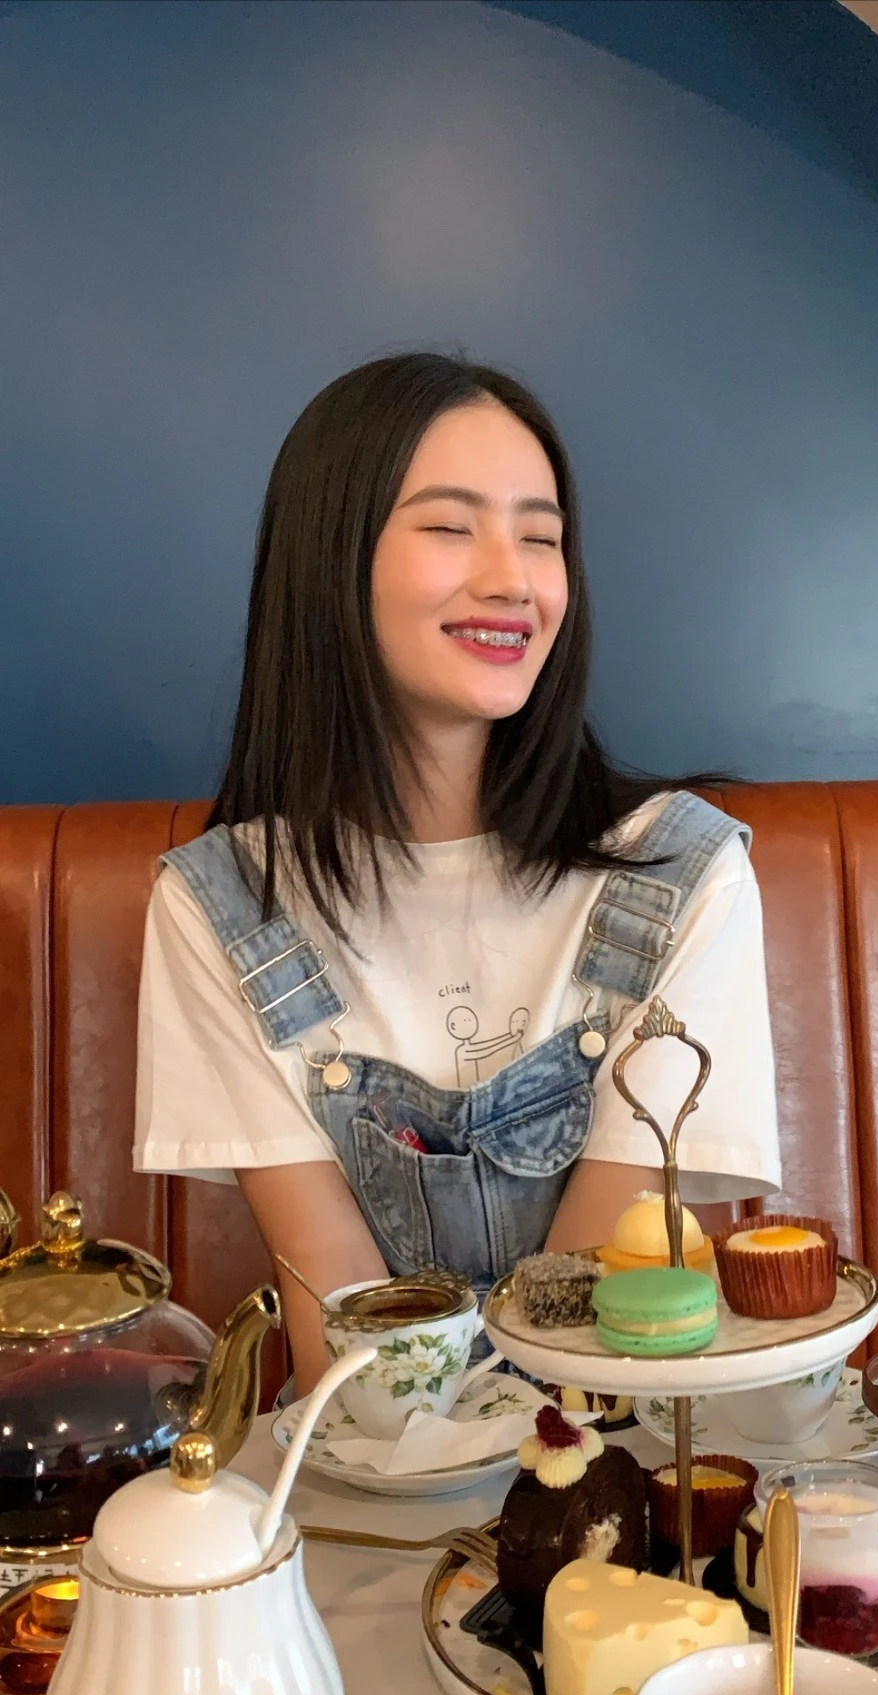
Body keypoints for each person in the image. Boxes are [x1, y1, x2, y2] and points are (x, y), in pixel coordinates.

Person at [134, 353, 781, 1394]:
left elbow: (595, 1322)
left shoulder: (680, 875)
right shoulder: (223, 906)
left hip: (602, 1439)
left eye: (541, 536)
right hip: (369, 1450)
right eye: (449, 526)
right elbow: (346, 1331)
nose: (513, 579)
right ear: (329, 559)